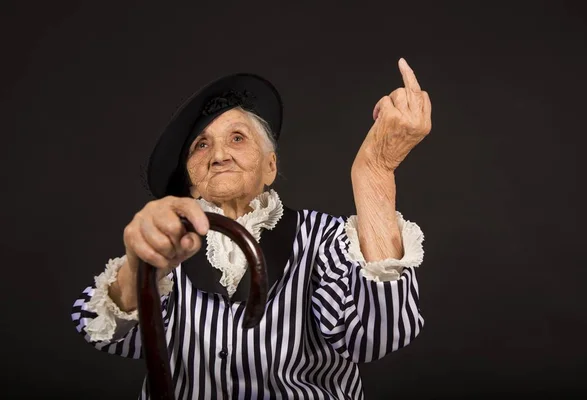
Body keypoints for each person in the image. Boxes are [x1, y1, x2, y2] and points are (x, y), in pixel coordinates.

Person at [71, 58, 432, 399]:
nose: (219, 155)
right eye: (201, 145)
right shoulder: (167, 240)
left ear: (270, 167)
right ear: (191, 182)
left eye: (237, 138)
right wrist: (140, 267)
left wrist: (376, 170)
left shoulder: (324, 238)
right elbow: (110, 337)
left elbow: (376, 337)